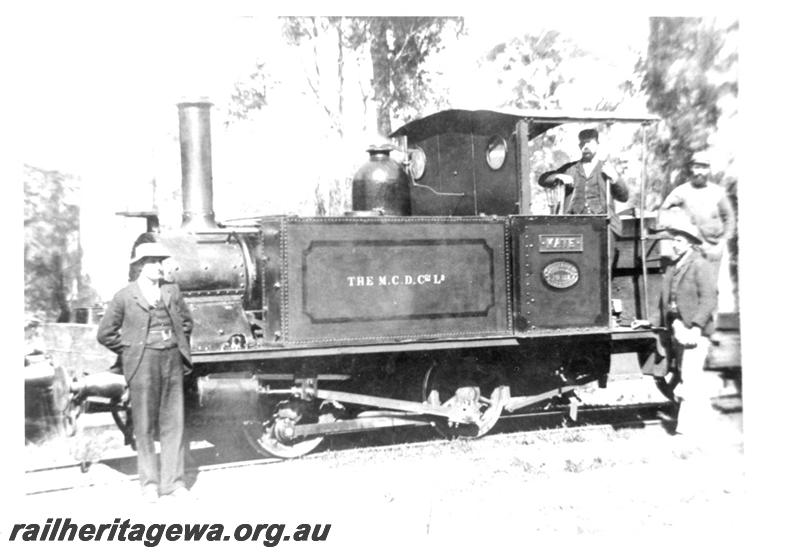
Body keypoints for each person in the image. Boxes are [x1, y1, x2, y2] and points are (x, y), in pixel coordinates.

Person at [97, 242, 193, 502]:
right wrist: (131, 349)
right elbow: (105, 333)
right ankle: (149, 484)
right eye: (153, 261)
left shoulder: (172, 291)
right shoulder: (125, 296)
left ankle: (175, 484)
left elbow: (185, 322)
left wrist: (175, 344)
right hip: (143, 363)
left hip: (171, 359)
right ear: (140, 265)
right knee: (144, 426)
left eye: (161, 261)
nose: (159, 266)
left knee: (175, 424)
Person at [659, 217, 718, 437]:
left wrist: (696, 327)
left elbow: (709, 299)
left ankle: (687, 431)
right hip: (678, 328)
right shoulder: (674, 267)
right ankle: (706, 425)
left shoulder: (700, 264)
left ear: (691, 243)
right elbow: (666, 300)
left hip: (694, 331)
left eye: (680, 241)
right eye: (674, 240)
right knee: (688, 376)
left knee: (690, 378)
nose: (675, 244)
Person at [659, 150, 736, 282]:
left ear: (709, 170)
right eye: (696, 167)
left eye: (704, 167)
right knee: (688, 288)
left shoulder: (717, 192)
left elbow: (729, 219)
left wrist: (721, 245)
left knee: (711, 289)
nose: (700, 171)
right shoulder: (681, 191)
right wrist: (675, 235)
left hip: (714, 250)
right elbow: (663, 212)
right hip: (690, 251)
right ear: (690, 168)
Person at [538, 128, 629, 236]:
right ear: (579, 146)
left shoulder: (606, 168)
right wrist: (559, 176)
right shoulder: (570, 169)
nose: (586, 146)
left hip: (604, 227)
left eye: (589, 142)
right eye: (583, 143)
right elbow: (543, 179)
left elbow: (624, 197)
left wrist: (615, 177)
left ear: (597, 144)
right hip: (574, 227)